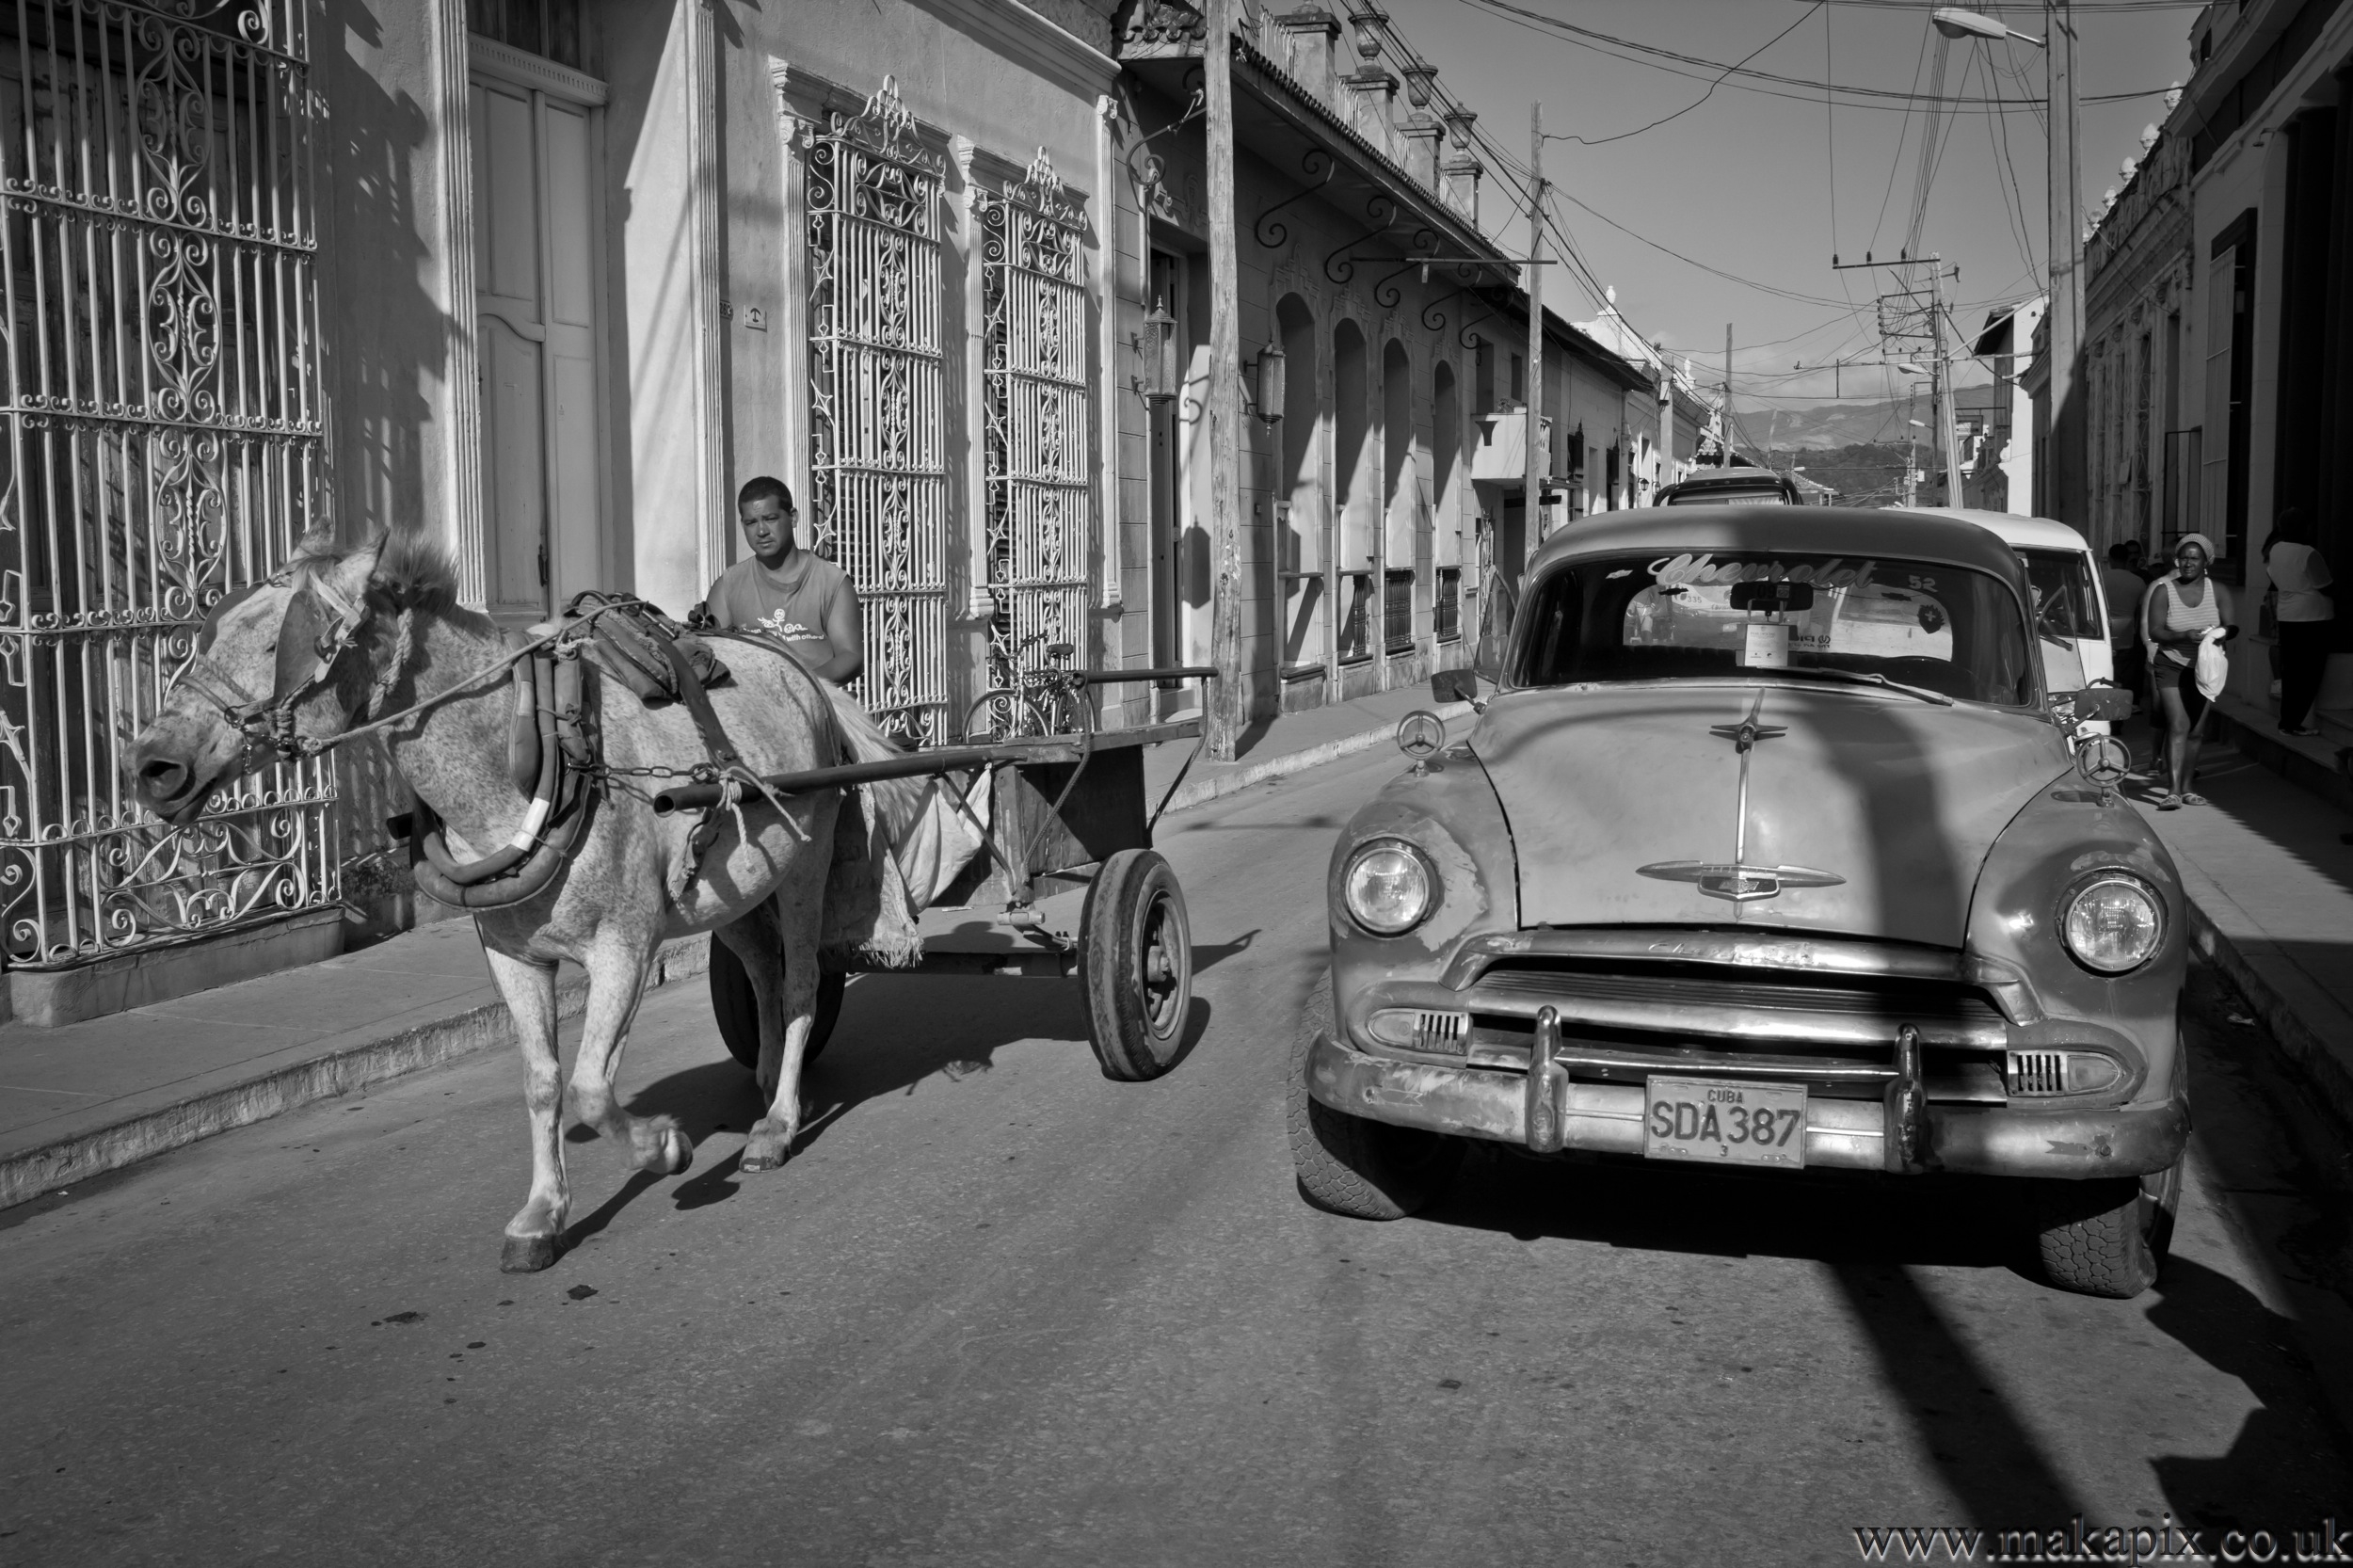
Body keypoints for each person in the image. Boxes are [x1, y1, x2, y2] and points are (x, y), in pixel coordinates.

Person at [703, 476, 864, 684]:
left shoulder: (832, 582)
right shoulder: (728, 585)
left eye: (770, 519)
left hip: (817, 706)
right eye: (751, 523)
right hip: (752, 708)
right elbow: (709, 655)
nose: (761, 531)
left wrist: (798, 684)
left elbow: (851, 656)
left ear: (793, 518)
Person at [2142, 533, 2236, 809]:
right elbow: (2156, 631)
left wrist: (2219, 634)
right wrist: (2185, 635)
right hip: (2170, 664)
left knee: (2196, 731)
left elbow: (2232, 626)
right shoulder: (2163, 589)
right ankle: (2171, 791)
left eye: (2194, 558)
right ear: (2176, 560)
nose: (2188, 563)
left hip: (2206, 670)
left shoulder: (2218, 590)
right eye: (2183, 558)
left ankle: (2187, 788)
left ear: (2206, 561)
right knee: (2178, 725)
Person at [2263, 508, 2335, 737]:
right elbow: (2324, 584)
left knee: (2292, 672)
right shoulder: (2308, 553)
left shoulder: (2276, 549)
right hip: (2313, 615)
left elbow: (2274, 575)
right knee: (2310, 673)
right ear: (2304, 528)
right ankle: (2295, 722)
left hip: (2287, 614)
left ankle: (2287, 721)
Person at [2102, 541, 2148, 708]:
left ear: (2110, 558)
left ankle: (2105, 706)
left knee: (2105, 670)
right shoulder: (2138, 582)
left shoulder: (2100, 579)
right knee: (2124, 674)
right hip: (2127, 632)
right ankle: (2121, 711)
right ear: (2127, 558)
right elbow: (2141, 612)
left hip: (2103, 630)